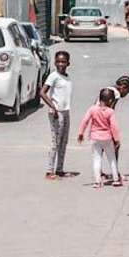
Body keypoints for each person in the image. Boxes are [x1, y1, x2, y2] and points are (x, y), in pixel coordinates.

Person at [76, 88, 122, 188]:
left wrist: (81, 133)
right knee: (112, 159)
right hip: (107, 138)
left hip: (95, 138)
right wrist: (117, 140)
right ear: (110, 101)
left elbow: (85, 121)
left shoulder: (92, 109)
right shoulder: (110, 112)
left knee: (97, 159)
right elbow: (114, 126)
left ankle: (97, 181)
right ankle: (116, 179)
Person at [41, 50, 75, 180]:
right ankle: (49, 171)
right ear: (55, 62)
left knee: (64, 141)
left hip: (66, 111)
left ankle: (59, 169)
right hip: (56, 112)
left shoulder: (67, 77)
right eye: (58, 61)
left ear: (68, 63)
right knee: (55, 142)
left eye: (63, 62)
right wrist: (52, 106)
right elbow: (42, 92)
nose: (61, 64)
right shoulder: (53, 76)